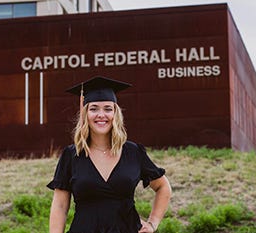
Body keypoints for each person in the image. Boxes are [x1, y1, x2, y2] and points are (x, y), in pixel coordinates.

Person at [47, 76, 172, 233]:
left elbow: (163, 187)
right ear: (85, 114)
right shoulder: (72, 155)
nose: (101, 115)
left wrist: (152, 223)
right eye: (94, 109)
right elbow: (60, 205)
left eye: (107, 108)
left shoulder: (133, 152)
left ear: (115, 114)